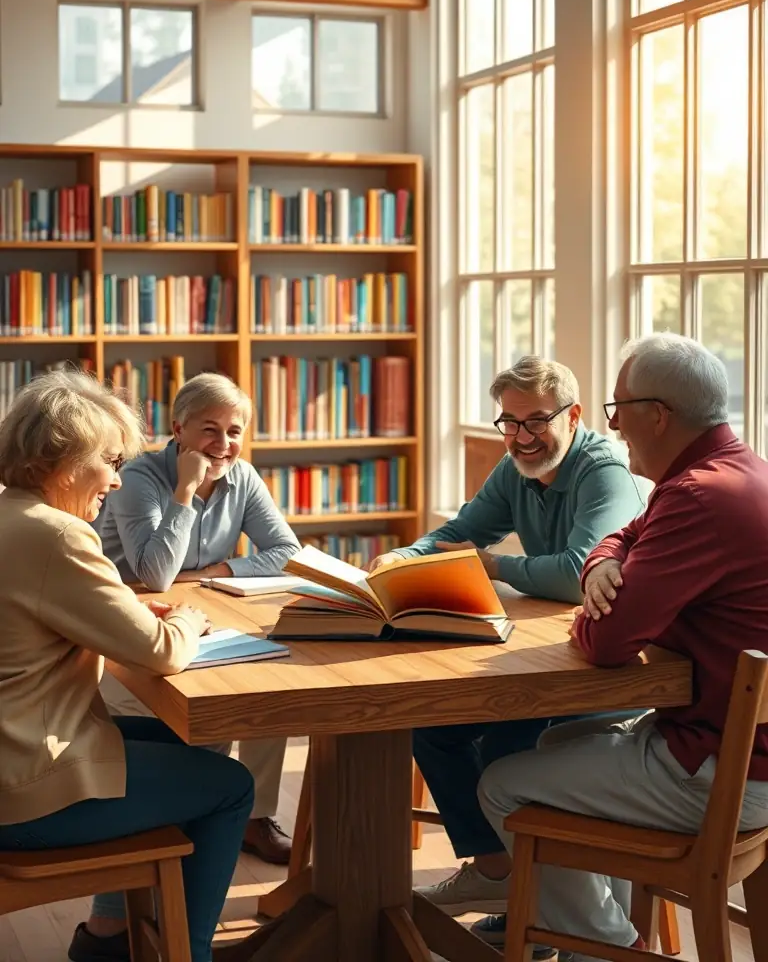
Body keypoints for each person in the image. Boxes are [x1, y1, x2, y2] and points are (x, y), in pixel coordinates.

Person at [477, 333, 768, 958]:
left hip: (720, 773)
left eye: (617, 408)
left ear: (656, 415)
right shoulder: (737, 473)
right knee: (556, 742)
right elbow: (621, 538)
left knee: (502, 783)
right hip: (740, 753)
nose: (614, 426)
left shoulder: (694, 496)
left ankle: (606, 948)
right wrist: (600, 566)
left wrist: (595, 595)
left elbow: (607, 642)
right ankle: (606, 939)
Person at [367, 356, 647, 932]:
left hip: (607, 670)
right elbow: (457, 533)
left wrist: (495, 565)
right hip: (550, 653)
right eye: (509, 422)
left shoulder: (605, 471)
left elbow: (576, 574)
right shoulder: (516, 465)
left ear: (572, 415)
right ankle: (501, 874)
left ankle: (547, 910)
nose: (521, 437)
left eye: (535, 422)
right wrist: (406, 557)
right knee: (432, 727)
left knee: (508, 749)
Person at [0, 371, 255, 962]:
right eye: (109, 462)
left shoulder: (11, 515)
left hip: (16, 750)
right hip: (28, 789)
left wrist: (133, 608)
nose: (116, 480)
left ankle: (109, 937)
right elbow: (164, 650)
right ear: (65, 460)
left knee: (184, 740)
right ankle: (187, 955)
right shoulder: (59, 534)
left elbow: (49, 613)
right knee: (229, 787)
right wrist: (188, 617)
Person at [96, 372, 301, 866]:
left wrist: (219, 568)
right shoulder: (139, 478)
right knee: (207, 712)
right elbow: (157, 575)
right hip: (133, 625)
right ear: (178, 428)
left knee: (269, 695)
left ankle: (255, 817)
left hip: (206, 613)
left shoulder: (243, 477)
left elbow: (286, 550)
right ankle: (203, 810)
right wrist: (185, 490)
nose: (224, 443)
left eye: (234, 431)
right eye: (209, 429)